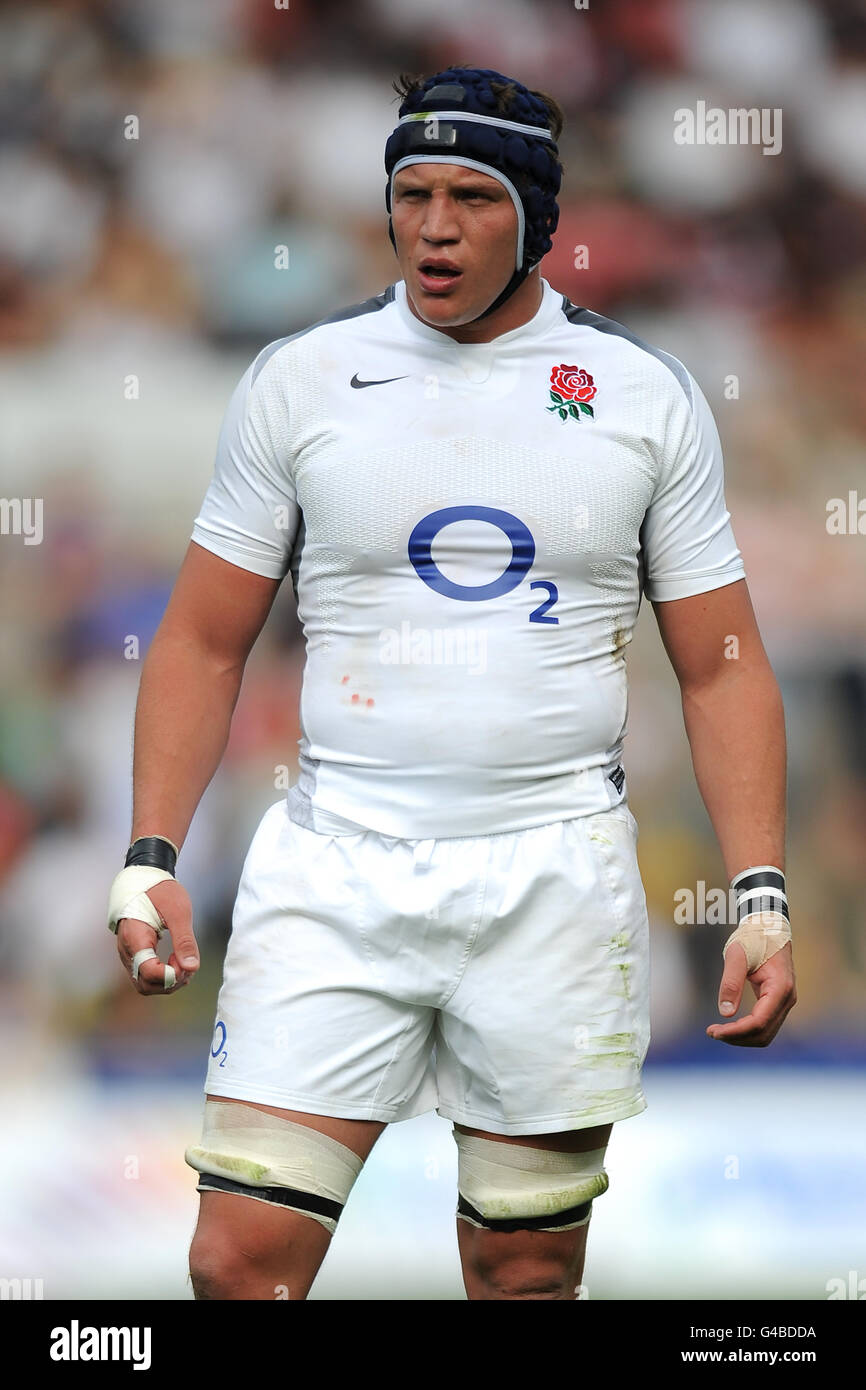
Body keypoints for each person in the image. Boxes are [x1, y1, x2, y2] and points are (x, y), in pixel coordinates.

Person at [107, 66, 796, 1301]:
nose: (432, 225)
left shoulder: (642, 395)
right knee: (236, 1261)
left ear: (534, 216)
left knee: (522, 1273)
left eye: (470, 197)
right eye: (410, 193)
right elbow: (204, 640)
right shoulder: (300, 381)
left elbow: (721, 665)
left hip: (551, 875)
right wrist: (151, 851)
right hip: (336, 862)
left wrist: (757, 894)